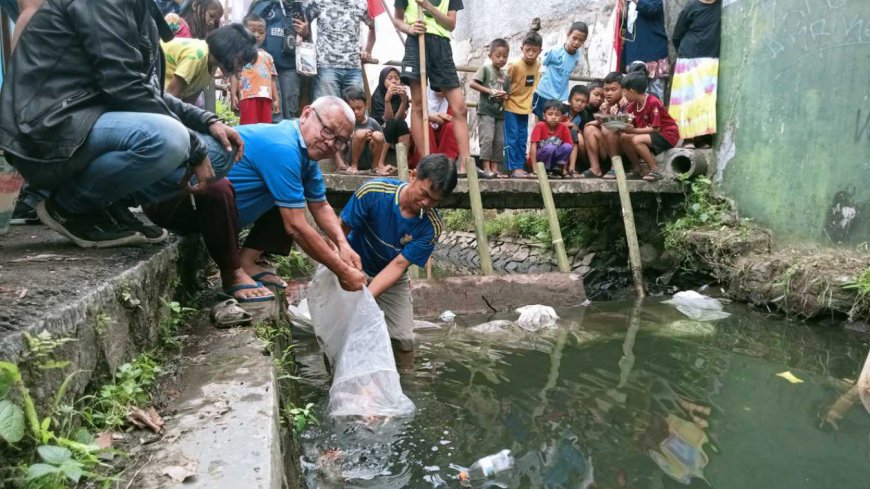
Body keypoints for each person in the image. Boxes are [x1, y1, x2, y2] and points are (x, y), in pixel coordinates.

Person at [0, 0, 244, 248]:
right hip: (50, 131)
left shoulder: (141, 9)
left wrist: (206, 120)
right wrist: (194, 143)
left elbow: (147, 90)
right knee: (171, 139)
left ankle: (106, 203)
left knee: (220, 150)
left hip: (94, 123)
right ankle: (70, 207)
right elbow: (124, 86)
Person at [143, 97, 368, 302]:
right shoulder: (283, 146)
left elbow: (320, 204)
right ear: (306, 114)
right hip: (171, 201)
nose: (330, 144)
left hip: (216, 212)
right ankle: (232, 273)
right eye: (327, 131)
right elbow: (296, 227)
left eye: (340, 141)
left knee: (289, 197)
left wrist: (343, 245)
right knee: (220, 187)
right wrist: (342, 270)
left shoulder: (305, 155)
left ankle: (246, 261)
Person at [340, 153, 457, 351]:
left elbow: (399, 265)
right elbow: (341, 232)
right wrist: (341, 268)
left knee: (404, 342)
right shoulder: (373, 192)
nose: (426, 203)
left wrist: (365, 299)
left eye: (434, 201)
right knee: (342, 331)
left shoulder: (431, 227)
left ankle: (406, 378)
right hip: (352, 263)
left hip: (392, 276)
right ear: (413, 176)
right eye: (425, 194)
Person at [393, 0, 472, 174]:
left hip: (441, 47)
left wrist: (428, 6)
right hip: (416, 43)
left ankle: (466, 165)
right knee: (419, 105)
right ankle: (427, 162)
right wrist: (410, 29)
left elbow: (450, 25)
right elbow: (397, 19)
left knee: (460, 108)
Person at [162, 24, 259, 102]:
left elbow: (189, 105)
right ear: (228, 49)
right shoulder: (198, 56)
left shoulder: (211, 65)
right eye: (240, 62)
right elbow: (170, 97)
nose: (239, 69)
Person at [671, 0, 721, 149]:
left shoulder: (722, 6)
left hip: (710, 58)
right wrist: (685, 53)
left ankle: (703, 137)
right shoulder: (692, 6)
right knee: (688, 98)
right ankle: (688, 138)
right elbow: (677, 34)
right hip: (689, 57)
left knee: (705, 99)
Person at [248, 0, 308, 121]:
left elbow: (306, 35)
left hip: (290, 67)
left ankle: (286, 137)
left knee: (290, 109)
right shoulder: (264, 4)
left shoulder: (299, 7)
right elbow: (249, 29)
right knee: (271, 110)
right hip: (264, 67)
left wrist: (306, 32)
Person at [307, 0, 378, 99]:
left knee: (355, 111)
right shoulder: (318, 2)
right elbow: (304, 20)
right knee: (327, 108)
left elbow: (374, 27)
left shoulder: (361, 3)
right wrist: (310, 45)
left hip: (353, 67)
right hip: (326, 66)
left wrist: (368, 50)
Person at [617, 71, 680, 182]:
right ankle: (638, 169)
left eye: (624, 91)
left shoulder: (652, 102)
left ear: (631, 91)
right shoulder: (632, 106)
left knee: (637, 140)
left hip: (667, 135)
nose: (623, 95)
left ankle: (655, 169)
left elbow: (656, 129)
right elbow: (630, 124)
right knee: (623, 138)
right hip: (650, 135)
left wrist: (633, 130)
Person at [504, 30, 543, 179]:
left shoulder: (538, 64)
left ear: (540, 51)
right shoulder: (514, 65)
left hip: (525, 108)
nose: (531, 54)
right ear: (522, 49)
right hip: (510, 106)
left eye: (535, 51)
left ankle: (520, 166)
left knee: (522, 137)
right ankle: (512, 167)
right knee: (512, 137)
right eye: (527, 50)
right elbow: (505, 83)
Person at [469, 38, 509, 179]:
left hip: (499, 113)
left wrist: (504, 96)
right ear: (490, 55)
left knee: (499, 141)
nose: (502, 59)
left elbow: (507, 93)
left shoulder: (505, 75)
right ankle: (486, 168)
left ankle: (495, 168)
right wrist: (490, 91)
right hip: (486, 111)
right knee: (487, 138)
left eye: (505, 56)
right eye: (498, 55)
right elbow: (473, 84)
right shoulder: (486, 69)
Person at [532, 22, 588, 119]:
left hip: (561, 98)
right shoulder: (555, 51)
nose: (576, 42)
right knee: (541, 124)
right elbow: (541, 64)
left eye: (580, 40)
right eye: (574, 38)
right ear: (568, 34)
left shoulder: (577, 56)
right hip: (545, 93)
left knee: (555, 126)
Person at [231, 14, 281, 125]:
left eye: (261, 32)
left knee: (265, 127)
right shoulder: (240, 53)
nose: (257, 35)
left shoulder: (268, 56)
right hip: (248, 96)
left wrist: (276, 98)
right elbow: (235, 74)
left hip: (266, 98)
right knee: (248, 126)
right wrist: (233, 94)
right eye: (252, 31)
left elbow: (272, 79)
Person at [620, 0, 670, 101]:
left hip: (654, 50)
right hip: (634, 50)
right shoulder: (628, 3)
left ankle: (656, 115)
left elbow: (651, 9)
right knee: (634, 91)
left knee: (656, 93)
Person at [585, 72, 629, 180]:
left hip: (626, 146)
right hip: (608, 147)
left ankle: (616, 167)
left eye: (613, 90)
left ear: (623, 89)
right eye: (606, 89)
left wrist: (608, 119)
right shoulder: (605, 104)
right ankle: (595, 168)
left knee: (607, 126)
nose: (608, 93)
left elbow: (628, 124)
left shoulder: (627, 101)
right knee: (589, 128)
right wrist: (603, 114)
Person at [337, 86, 389, 175]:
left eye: (359, 108)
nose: (356, 112)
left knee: (378, 135)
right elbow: (336, 145)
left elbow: (383, 143)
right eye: (352, 109)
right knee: (360, 134)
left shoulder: (372, 122)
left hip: (368, 158)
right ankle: (354, 165)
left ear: (366, 105)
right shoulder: (345, 123)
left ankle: (375, 166)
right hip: (350, 159)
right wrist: (340, 163)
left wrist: (381, 164)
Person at [371, 67, 412, 160]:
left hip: (394, 127)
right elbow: (387, 120)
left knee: (402, 124)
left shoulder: (400, 94)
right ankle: (379, 163)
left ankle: (402, 163)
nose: (394, 81)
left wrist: (403, 101)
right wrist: (387, 101)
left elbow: (398, 119)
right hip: (379, 129)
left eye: (397, 78)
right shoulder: (377, 96)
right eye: (389, 78)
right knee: (390, 123)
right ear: (382, 81)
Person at [530, 99, 574, 178]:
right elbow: (533, 146)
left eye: (557, 115)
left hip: (555, 157)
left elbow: (569, 148)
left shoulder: (564, 127)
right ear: (544, 115)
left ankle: (558, 168)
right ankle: (547, 170)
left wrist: (565, 169)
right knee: (550, 147)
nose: (553, 117)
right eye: (550, 114)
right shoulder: (540, 126)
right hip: (541, 158)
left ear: (561, 117)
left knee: (568, 146)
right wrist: (534, 168)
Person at [563, 85, 591, 178]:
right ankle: (563, 168)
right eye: (577, 100)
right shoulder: (562, 109)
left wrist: (575, 127)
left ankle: (573, 168)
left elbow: (582, 132)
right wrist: (565, 125)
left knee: (577, 136)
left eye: (583, 102)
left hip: (575, 143)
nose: (579, 104)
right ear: (570, 99)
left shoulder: (583, 115)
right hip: (558, 140)